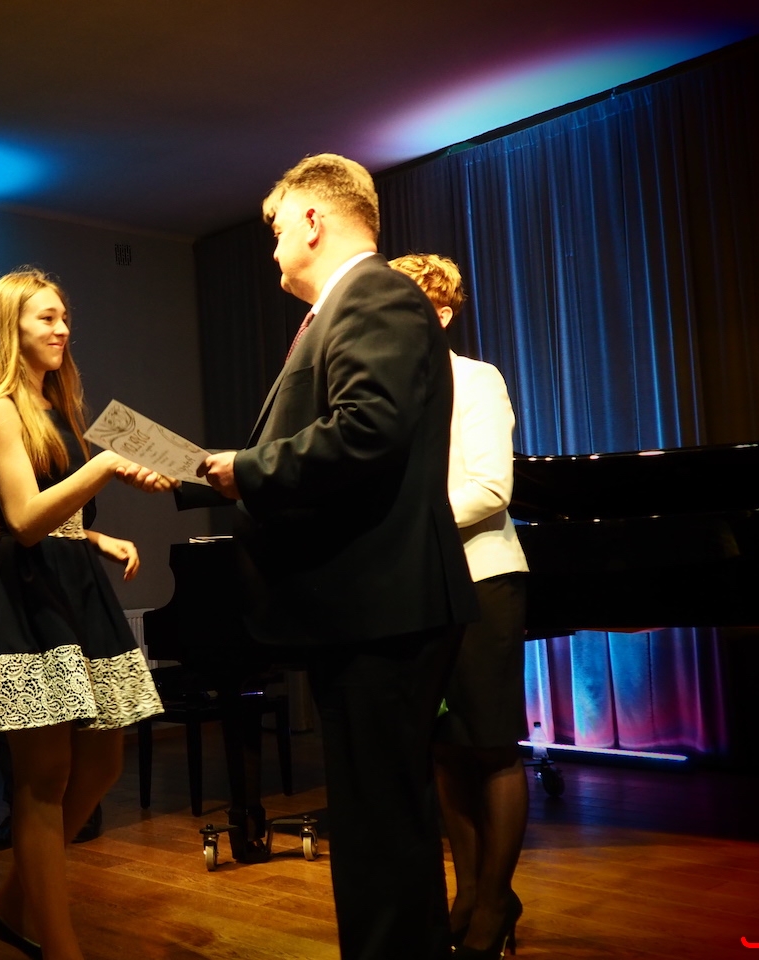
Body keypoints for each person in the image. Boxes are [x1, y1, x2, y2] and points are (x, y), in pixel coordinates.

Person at [197, 154, 478, 960]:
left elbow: (366, 430)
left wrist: (246, 469)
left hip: (381, 608)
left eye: (278, 228)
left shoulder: (374, 293)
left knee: (382, 830)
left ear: (314, 220)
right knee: (378, 824)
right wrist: (203, 476)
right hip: (369, 608)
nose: (274, 248)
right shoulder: (351, 305)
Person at [0, 267, 172, 960]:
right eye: (46, 317)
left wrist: (98, 537)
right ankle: (58, 946)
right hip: (27, 594)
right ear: (10, 327)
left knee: (102, 762)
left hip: (74, 584)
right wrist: (105, 467)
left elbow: (59, 513)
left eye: (64, 316)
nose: (62, 328)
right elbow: (23, 520)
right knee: (43, 781)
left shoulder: (57, 405)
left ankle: (12, 904)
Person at [390, 254, 530, 959]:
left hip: (480, 580)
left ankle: (497, 899)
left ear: (441, 314)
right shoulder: (389, 392)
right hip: (421, 586)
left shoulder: (476, 379)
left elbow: (490, 489)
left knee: (491, 746)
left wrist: (402, 529)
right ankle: (469, 893)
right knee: (445, 750)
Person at [0, 448, 103, 854]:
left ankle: (80, 811)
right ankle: (19, 812)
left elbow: (87, 510)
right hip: (3, 586)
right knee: (8, 707)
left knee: (70, 701)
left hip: (56, 584)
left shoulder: (56, 445)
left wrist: (26, 517)